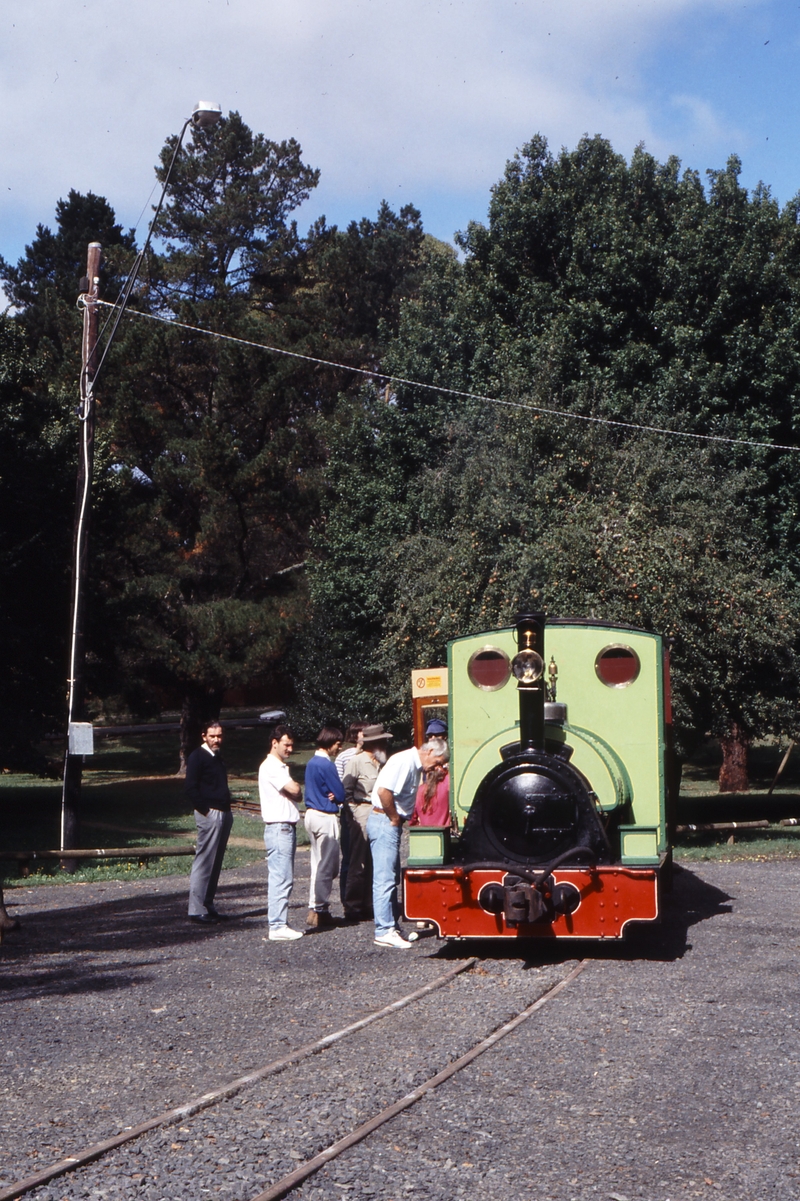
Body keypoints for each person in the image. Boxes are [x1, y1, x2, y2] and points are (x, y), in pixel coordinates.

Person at [367, 736, 449, 948]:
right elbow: (383, 791)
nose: (438, 767)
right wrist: (394, 817)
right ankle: (384, 930)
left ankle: (390, 925)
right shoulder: (404, 762)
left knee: (391, 877)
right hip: (384, 820)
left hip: (388, 821)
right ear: (429, 751)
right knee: (384, 878)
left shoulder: (414, 766)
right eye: (438, 761)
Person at [341, 724, 393, 921]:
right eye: (383, 741)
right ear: (373, 743)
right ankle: (353, 906)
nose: (386, 744)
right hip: (362, 811)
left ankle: (371, 903)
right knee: (358, 860)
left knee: (375, 860)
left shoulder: (382, 762)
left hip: (380, 812)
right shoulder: (357, 761)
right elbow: (346, 791)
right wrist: (354, 814)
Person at [259, 723, 304, 941]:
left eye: (292, 745)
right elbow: (295, 790)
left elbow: (296, 793)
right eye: (286, 745)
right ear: (274, 743)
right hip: (280, 827)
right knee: (281, 876)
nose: (290, 749)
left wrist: (295, 791)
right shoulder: (272, 766)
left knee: (283, 876)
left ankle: (279, 922)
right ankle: (277, 925)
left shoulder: (279, 767)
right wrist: (295, 789)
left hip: (284, 827)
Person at [186, 721, 234, 924]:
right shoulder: (197, 756)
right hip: (209, 814)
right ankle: (196, 909)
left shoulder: (217, 757)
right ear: (204, 735)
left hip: (223, 812)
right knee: (205, 861)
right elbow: (190, 787)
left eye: (219, 736)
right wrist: (205, 811)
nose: (217, 739)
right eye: (213, 736)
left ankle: (208, 904)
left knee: (215, 862)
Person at [304, 726, 346, 928]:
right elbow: (340, 793)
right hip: (325, 816)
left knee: (316, 863)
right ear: (330, 743)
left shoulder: (311, 762)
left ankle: (313, 906)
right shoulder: (327, 765)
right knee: (326, 866)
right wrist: (336, 795)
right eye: (338, 744)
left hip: (310, 814)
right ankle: (320, 909)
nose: (339, 748)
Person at [411, 763, 450, 827]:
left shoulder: (419, 790)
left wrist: (417, 826)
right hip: (444, 833)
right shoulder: (446, 786)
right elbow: (451, 777)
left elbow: (412, 818)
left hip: (426, 833)